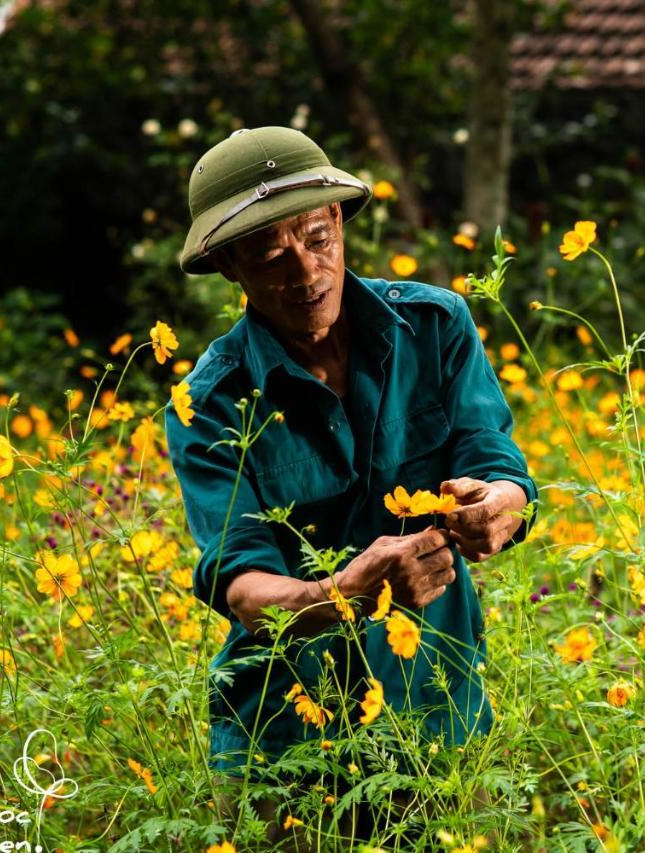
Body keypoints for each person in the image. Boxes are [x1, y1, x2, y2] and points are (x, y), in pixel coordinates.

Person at [164, 126, 539, 848]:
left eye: (315, 236)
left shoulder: (436, 326)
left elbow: (497, 457)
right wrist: (346, 594)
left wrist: (502, 505)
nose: (305, 270)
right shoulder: (210, 404)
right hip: (283, 742)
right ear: (226, 266)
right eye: (270, 254)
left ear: (338, 221)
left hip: (435, 709)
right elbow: (243, 588)